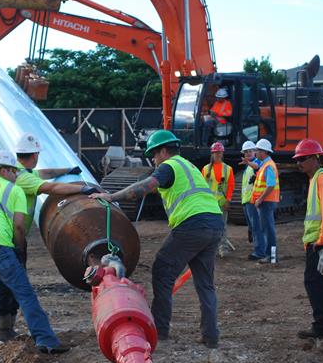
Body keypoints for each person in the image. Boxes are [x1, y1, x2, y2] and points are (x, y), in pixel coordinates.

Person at [90, 130, 225, 348]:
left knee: (163, 270)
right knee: (205, 284)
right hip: (214, 224)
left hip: (192, 225)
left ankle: (159, 330)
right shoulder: (188, 166)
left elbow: (145, 187)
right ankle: (210, 336)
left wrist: (111, 196)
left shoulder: (169, 166)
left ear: (164, 150)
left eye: (154, 154)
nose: (153, 159)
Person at [0, 150, 70, 355]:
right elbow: (19, 226)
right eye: (14, 171)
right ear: (4, 170)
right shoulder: (14, 191)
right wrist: (19, 249)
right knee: (25, 294)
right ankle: (46, 340)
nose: (16, 176)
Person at [0, 133, 95, 341]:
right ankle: (4, 331)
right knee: (12, 285)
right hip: (12, 238)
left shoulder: (21, 173)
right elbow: (52, 187)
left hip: (2, 235)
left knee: (4, 285)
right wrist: (84, 188)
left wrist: (67, 170)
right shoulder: (24, 178)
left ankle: (3, 329)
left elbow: (44, 174)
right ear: (35, 155)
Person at [293, 139, 323, 339]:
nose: (299, 163)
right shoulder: (316, 178)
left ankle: (322, 327)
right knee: (319, 284)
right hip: (319, 243)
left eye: (303, 159)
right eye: (297, 160)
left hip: (321, 243)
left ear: (315, 158)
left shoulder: (322, 178)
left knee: (317, 285)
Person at [201, 141, 235, 257]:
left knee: (222, 226)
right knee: (209, 226)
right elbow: (202, 186)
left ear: (222, 153)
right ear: (212, 154)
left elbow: (230, 186)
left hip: (222, 203)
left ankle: (223, 248)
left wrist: (228, 200)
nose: (217, 155)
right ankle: (211, 249)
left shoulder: (228, 169)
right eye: (215, 153)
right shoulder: (206, 169)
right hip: (209, 203)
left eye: (219, 153)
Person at [250, 138, 280, 263]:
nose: (256, 153)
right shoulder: (266, 165)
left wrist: (260, 199)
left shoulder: (268, 166)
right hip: (267, 201)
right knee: (267, 229)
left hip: (266, 202)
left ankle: (272, 257)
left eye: (258, 150)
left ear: (265, 152)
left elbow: (271, 185)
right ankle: (271, 256)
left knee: (268, 230)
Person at [238, 140, 261, 259]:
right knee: (253, 227)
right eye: (246, 152)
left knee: (256, 226)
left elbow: (258, 167)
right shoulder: (248, 167)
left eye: (250, 151)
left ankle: (259, 251)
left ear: (255, 152)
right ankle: (258, 249)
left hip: (252, 201)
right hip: (247, 201)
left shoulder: (256, 163)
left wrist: (248, 162)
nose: (248, 153)